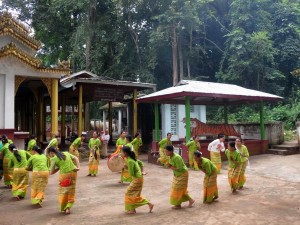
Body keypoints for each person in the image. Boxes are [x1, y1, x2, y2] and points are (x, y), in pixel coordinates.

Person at [122, 146, 154, 214]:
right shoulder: (132, 158)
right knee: (134, 194)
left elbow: (132, 173)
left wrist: (126, 167)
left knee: (129, 193)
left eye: (122, 152)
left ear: (125, 153)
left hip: (137, 179)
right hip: (139, 178)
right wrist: (141, 171)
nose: (122, 154)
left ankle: (146, 204)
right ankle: (133, 209)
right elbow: (140, 163)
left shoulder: (130, 160)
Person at [49, 147, 80, 215]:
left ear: (51, 153)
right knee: (71, 190)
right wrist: (78, 167)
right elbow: (76, 158)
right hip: (73, 173)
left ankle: (65, 207)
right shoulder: (66, 153)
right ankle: (68, 206)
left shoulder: (53, 158)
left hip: (64, 175)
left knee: (63, 192)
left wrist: (58, 168)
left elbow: (51, 172)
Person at [164, 145, 195, 209]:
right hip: (177, 174)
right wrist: (169, 165)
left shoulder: (177, 157)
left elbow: (179, 168)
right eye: (165, 151)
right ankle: (188, 201)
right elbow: (171, 165)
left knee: (177, 189)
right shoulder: (170, 156)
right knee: (178, 189)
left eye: (166, 151)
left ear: (171, 151)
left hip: (182, 174)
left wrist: (169, 166)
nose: (165, 153)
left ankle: (179, 204)